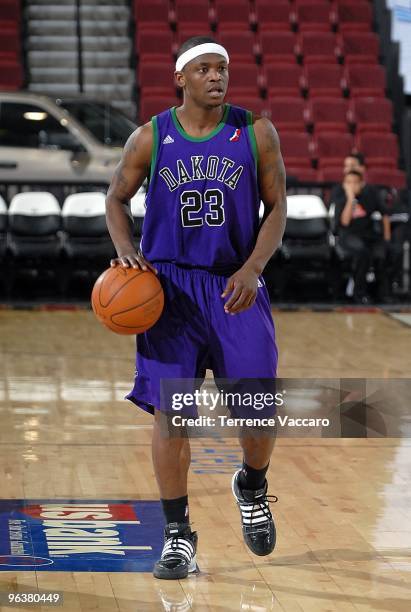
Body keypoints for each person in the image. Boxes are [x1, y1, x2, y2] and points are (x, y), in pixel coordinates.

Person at [105, 36, 287, 579]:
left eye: (223, 68)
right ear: (180, 78)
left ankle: (251, 484)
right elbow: (115, 198)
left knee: (258, 410)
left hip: (236, 286)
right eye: (204, 69)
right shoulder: (150, 137)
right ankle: (178, 533)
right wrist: (125, 250)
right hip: (169, 293)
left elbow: (277, 208)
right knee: (173, 416)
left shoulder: (255, 132)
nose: (217, 77)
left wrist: (253, 267)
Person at [335, 170, 391, 303]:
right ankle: (358, 293)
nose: (352, 185)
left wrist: (387, 238)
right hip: (347, 236)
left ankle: (383, 293)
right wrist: (350, 199)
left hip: (367, 235)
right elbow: (345, 222)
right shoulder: (340, 199)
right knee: (362, 253)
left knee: (384, 252)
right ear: (344, 184)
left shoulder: (370, 196)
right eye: (348, 182)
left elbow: (385, 215)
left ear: (362, 184)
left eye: (355, 182)